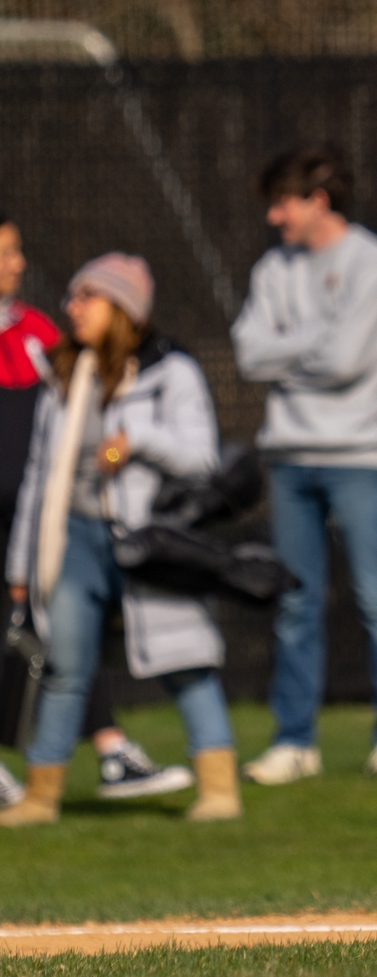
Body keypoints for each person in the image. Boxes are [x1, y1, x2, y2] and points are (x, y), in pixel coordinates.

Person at [2, 253, 241, 826]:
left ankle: (219, 789)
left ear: (123, 308)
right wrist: (21, 567)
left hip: (146, 540)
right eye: (73, 296)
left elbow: (201, 458)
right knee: (64, 665)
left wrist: (137, 439)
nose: (72, 308)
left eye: (88, 297)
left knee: (183, 659)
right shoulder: (65, 374)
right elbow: (39, 476)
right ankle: (41, 796)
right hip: (76, 541)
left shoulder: (171, 371)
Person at [231, 145, 377, 784]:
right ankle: (294, 741)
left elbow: (347, 364)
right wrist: (315, 343)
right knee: (293, 602)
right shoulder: (271, 270)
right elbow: (248, 354)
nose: (274, 218)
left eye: (283, 203)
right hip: (289, 458)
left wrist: (290, 351)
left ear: (318, 200)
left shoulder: (372, 263)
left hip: (363, 457)